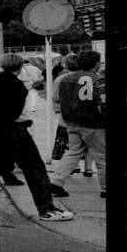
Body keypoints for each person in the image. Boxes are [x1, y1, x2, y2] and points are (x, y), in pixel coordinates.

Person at [0, 53, 72, 222]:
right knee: (35, 170)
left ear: (2, 66)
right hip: (14, 132)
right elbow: (11, 113)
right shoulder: (17, 86)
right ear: (19, 68)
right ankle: (46, 209)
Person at [50, 49, 105, 201]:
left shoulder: (65, 78)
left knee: (73, 152)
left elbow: (59, 99)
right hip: (93, 123)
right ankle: (106, 188)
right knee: (102, 157)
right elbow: (102, 102)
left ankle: (56, 181)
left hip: (71, 122)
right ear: (95, 64)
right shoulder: (98, 79)